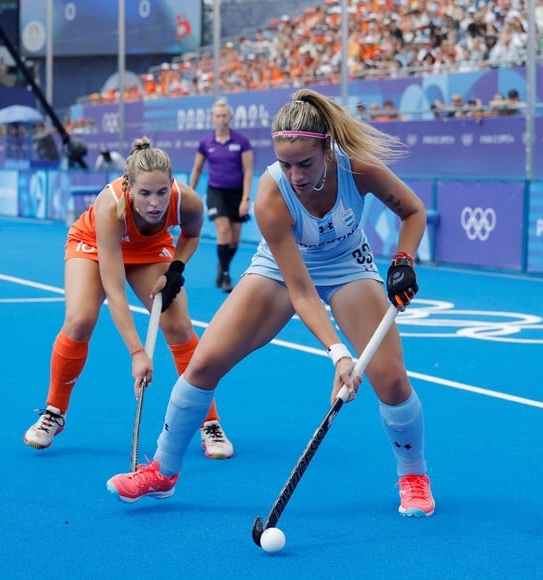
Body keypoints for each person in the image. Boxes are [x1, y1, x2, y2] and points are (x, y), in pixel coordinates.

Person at [107, 89, 435, 518]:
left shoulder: (358, 166)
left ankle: (413, 475)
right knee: (203, 363)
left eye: (305, 163)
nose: (296, 175)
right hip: (281, 270)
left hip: (347, 266)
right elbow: (299, 290)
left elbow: (413, 211)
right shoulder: (271, 193)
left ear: (326, 148)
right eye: (285, 164)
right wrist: (338, 355)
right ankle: (162, 472)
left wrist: (404, 260)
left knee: (390, 379)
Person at [23, 137, 234, 459]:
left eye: (162, 192)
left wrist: (176, 268)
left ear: (172, 185)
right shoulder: (110, 206)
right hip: (93, 245)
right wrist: (137, 352)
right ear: (128, 188)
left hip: (150, 251)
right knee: (80, 319)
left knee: (178, 326)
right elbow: (115, 290)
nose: (154, 203)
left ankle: (210, 422)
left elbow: (191, 235)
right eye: (145, 193)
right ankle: (54, 411)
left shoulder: (187, 201)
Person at [189, 98, 254, 292]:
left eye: (224, 115)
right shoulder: (206, 143)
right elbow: (197, 169)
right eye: (217, 116)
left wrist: (245, 199)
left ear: (230, 117)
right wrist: (190, 192)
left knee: (234, 239)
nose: (221, 119)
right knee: (223, 230)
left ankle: (222, 266)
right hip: (216, 192)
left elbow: (248, 171)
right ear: (212, 119)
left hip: (237, 194)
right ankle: (225, 275)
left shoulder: (242, 141)